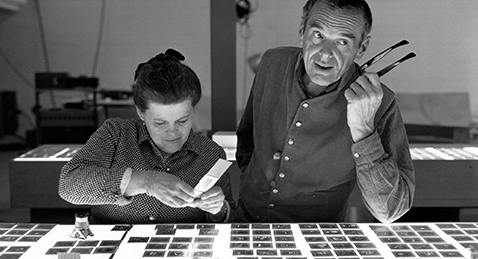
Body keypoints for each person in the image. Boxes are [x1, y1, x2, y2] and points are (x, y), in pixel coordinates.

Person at [236, 0, 415, 223]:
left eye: (342, 42)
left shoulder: (382, 103)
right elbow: (246, 140)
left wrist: (364, 131)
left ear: (362, 47)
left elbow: (390, 211)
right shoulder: (272, 62)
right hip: (244, 222)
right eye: (318, 35)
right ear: (302, 30)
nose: (326, 54)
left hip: (318, 237)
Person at [59, 49, 235, 224]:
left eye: (182, 120)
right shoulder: (116, 134)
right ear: (140, 112)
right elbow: (69, 185)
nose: (172, 132)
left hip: (179, 250)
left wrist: (219, 210)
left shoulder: (211, 154)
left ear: (193, 110)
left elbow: (231, 221)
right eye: (160, 123)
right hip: (115, 248)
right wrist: (147, 181)